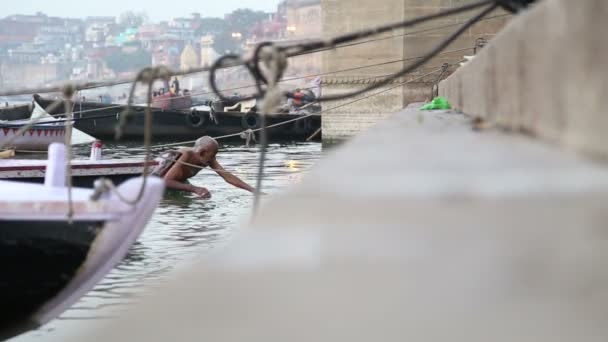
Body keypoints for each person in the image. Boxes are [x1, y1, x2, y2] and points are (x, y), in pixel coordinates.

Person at [152, 136, 256, 198]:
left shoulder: (208, 158)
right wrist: (195, 189)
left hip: (179, 185)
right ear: (202, 152)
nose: (214, 159)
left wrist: (254, 191)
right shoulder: (187, 154)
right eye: (212, 155)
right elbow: (166, 181)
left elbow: (227, 176)